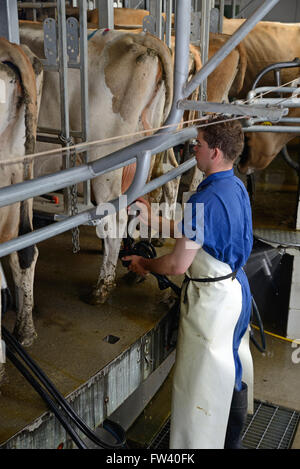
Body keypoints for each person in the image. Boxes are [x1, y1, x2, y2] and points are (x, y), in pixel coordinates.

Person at [122, 116, 253, 449]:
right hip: (236, 291)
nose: (193, 148)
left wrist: (147, 264)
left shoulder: (201, 199)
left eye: (199, 144)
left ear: (216, 151)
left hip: (211, 305)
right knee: (231, 371)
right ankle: (232, 440)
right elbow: (197, 233)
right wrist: (153, 220)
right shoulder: (234, 185)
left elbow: (178, 264)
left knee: (201, 387)